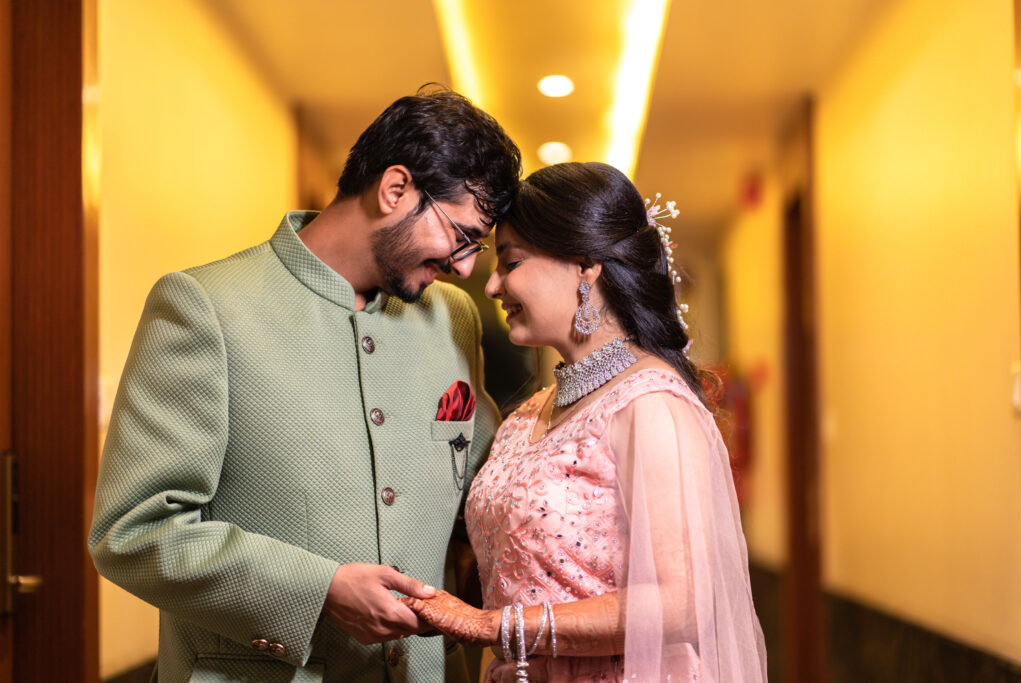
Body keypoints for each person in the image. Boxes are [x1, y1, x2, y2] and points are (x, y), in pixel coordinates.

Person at [88, 87, 521, 682]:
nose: (467, 267)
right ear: (396, 189)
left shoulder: (453, 316)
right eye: (463, 236)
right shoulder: (205, 307)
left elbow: (492, 487)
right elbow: (133, 531)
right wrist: (320, 590)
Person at [403, 162, 768, 682]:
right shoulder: (525, 417)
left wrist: (494, 626)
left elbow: (685, 603)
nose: (492, 286)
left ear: (585, 267)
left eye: (511, 263)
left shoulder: (651, 405)